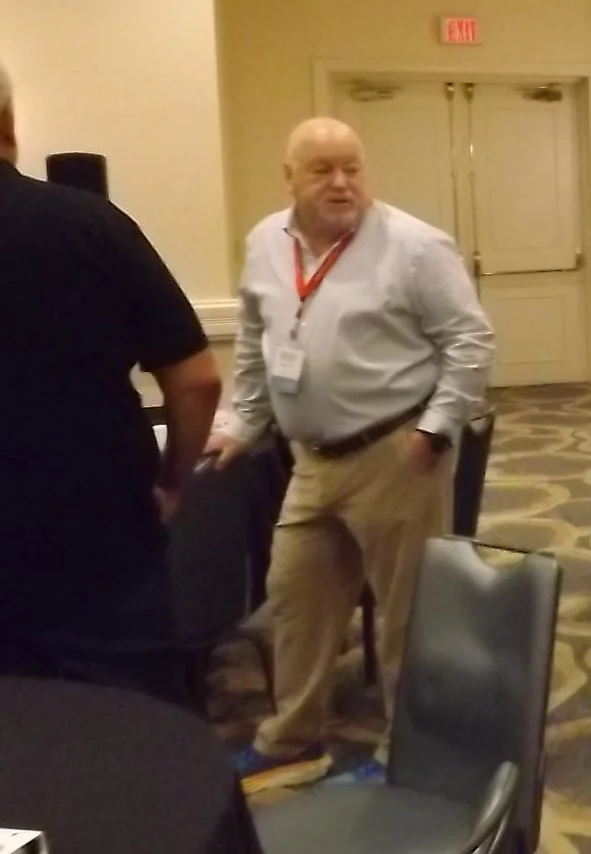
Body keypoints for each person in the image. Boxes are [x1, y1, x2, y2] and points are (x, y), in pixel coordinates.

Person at [210, 117, 494, 793]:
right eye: (322, 170)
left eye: (353, 168)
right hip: (310, 460)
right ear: (290, 178)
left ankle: (410, 748)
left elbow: (470, 343)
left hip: (395, 455)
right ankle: (291, 735)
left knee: (408, 615)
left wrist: (434, 431)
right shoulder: (264, 244)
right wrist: (242, 425)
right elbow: (255, 344)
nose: (342, 184)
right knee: (295, 596)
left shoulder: (415, 247)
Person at [0, 60, 224, 706]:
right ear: (10, 125)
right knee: (127, 752)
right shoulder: (90, 225)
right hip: (99, 546)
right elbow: (197, 379)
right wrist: (175, 478)